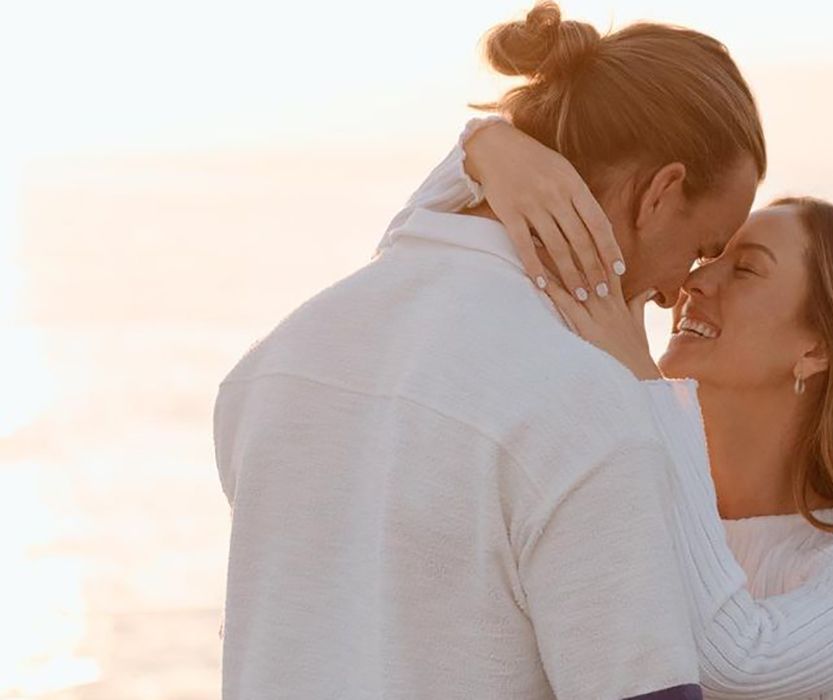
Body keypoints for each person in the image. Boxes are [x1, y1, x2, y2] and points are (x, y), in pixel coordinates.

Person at [211, 3, 764, 698]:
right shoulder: (585, 406)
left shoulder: (273, 364)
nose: (674, 294)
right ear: (660, 193)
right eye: (702, 248)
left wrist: (482, 145)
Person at [408, 25, 833, 695]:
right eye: (706, 254)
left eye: (744, 269)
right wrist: (488, 148)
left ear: (819, 349)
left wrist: (639, 377)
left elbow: (732, 659)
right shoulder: (623, 485)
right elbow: (404, 266)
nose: (695, 281)